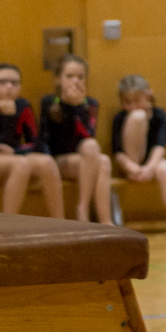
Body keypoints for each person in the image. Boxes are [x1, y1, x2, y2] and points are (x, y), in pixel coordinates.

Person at [0, 63, 62, 218]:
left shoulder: (23, 106)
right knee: (21, 164)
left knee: (47, 162)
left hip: (13, 157)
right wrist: (8, 118)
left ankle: (60, 222)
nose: (9, 87)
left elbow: (37, 144)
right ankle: (8, 224)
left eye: (14, 83)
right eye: (2, 82)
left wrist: (15, 151)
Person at [111, 75, 166, 240]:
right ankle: (137, 168)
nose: (132, 106)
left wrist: (149, 168)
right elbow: (118, 152)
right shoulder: (121, 117)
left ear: (148, 95)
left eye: (137, 100)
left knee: (165, 168)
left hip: (150, 163)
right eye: (127, 102)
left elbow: (160, 146)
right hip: (130, 163)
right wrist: (133, 168)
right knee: (137, 117)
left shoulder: (160, 116)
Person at [41, 54, 110, 224]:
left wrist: (78, 108)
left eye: (80, 77)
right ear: (58, 79)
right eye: (69, 76)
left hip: (84, 158)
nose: (75, 81)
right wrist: (68, 106)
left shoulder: (90, 104)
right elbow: (49, 139)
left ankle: (103, 220)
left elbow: (87, 135)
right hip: (57, 160)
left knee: (101, 158)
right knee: (101, 161)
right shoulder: (50, 102)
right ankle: (84, 213)